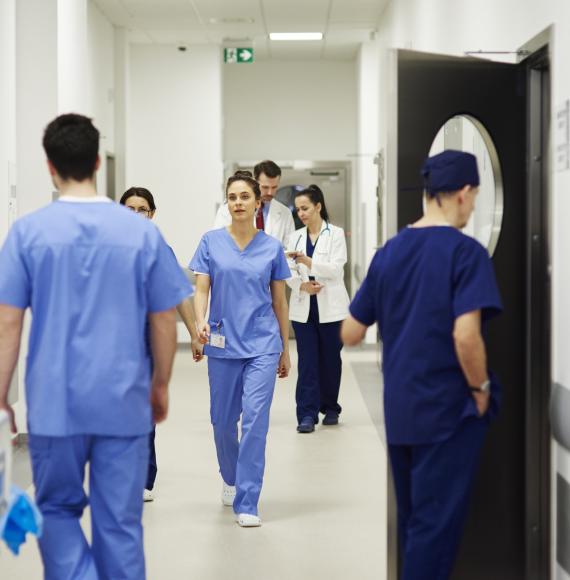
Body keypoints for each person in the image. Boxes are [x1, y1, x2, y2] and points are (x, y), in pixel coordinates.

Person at [0, 114, 193, 579]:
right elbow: (164, 319)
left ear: (50, 166)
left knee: (59, 511)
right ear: (96, 164)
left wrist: (2, 397)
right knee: (120, 523)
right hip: (123, 400)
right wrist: (161, 383)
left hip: (54, 403)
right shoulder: (142, 234)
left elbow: (8, 322)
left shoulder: (28, 234)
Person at [341, 150, 502, 579]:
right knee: (435, 531)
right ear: (464, 194)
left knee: (416, 522)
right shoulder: (466, 254)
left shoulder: (389, 253)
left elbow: (351, 332)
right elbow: (466, 335)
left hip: (401, 409)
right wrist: (481, 389)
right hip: (448, 413)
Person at [191, 170, 291, 527]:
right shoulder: (211, 242)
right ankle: (231, 477)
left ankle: (248, 500)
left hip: (263, 343)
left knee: (255, 422)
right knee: (222, 422)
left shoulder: (271, 247)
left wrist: (284, 347)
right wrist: (198, 322)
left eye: (244, 197)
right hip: (221, 341)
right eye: (232, 197)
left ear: (257, 202)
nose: (238, 203)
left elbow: (280, 301)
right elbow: (202, 287)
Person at [119, 186, 203, 502]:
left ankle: (142, 477)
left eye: (143, 209)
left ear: (152, 214)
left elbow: (180, 291)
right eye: (130, 208)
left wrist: (195, 333)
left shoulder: (159, 248)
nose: (137, 214)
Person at [286, 185, 349, 433]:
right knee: (308, 363)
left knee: (330, 360)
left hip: (332, 309)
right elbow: (287, 269)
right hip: (304, 310)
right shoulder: (295, 237)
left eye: (305, 208)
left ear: (318, 206)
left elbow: (335, 269)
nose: (301, 213)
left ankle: (331, 407)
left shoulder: (336, 234)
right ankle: (307, 415)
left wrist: (308, 262)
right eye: (298, 209)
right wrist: (301, 285)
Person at [214, 160, 295, 248]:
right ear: (255, 183)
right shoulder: (228, 209)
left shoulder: (285, 213)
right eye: (265, 187)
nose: (270, 192)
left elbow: (290, 248)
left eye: (274, 187)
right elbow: (218, 242)